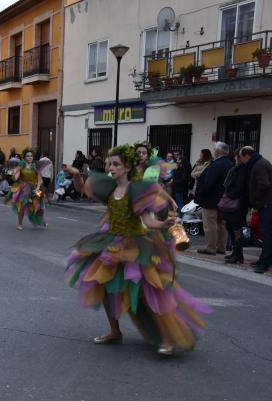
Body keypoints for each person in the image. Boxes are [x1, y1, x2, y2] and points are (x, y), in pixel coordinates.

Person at [65, 144, 211, 355]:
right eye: (109, 164)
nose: (111, 168)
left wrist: (163, 225)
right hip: (111, 244)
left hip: (136, 246)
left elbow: (147, 221)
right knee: (106, 289)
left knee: (148, 293)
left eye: (115, 164)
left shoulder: (136, 189)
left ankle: (168, 338)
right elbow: (81, 188)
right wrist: (77, 175)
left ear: (127, 167)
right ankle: (115, 331)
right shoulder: (110, 188)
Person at [195, 142, 233, 256]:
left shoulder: (216, 164)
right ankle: (221, 247)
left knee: (209, 224)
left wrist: (201, 195)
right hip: (224, 199)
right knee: (221, 223)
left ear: (217, 152)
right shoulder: (230, 163)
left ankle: (210, 247)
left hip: (211, 199)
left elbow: (208, 183)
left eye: (214, 149)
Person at [239, 146, 272, 273]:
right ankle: (264, 259)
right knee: (267, 233)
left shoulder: (259, 165)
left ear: (247, 156)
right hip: (266, 203)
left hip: (266, 204)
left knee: (267, 234)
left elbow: (264, 184)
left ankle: (265, 262)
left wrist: (256, 200)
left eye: (241, 158)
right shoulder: (260, 163)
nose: (242, 161)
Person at [219, 150, 249, 265]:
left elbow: (239, 188)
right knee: (230, 227)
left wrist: (229, 195)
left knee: (236, 229)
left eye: (237, 157)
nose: (236, 159)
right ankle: (235, 253)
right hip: (234, 204)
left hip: (237, 204)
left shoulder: (242, 169)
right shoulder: (238, 168)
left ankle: (238, 255)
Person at [5, 150, 46, 230]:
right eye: (28, 156)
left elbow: (39, 179)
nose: (29, 157)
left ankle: (39, 221)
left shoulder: (36, 166)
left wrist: (37, 189)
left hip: (35, 188)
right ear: (24, 158)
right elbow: (16, 177)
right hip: (23, 188)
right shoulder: (21, 166)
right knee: (22, 206)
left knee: (38, 206)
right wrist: (14, 175)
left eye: (31, 156)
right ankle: (20, 224)